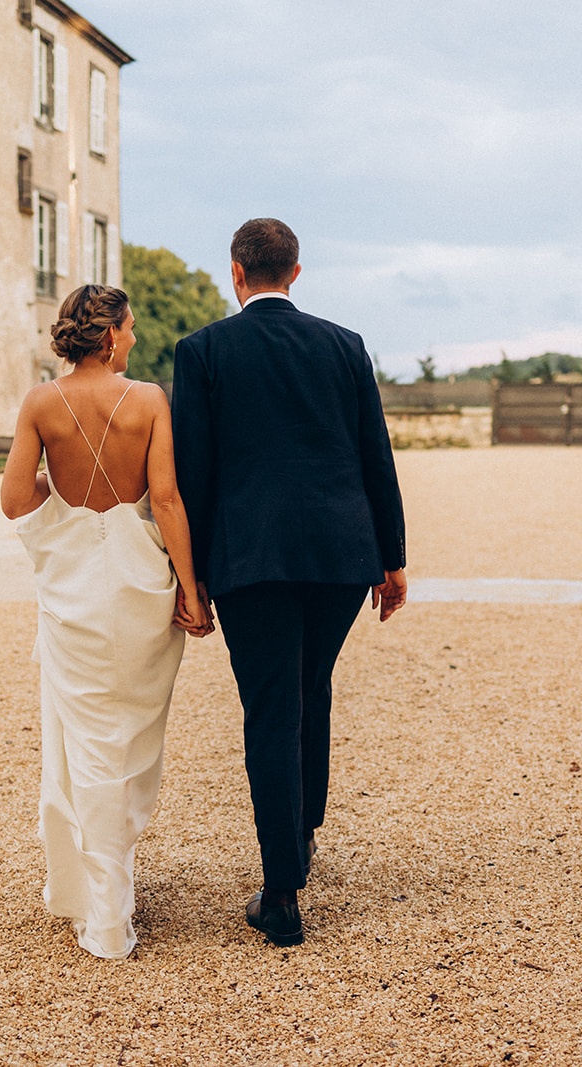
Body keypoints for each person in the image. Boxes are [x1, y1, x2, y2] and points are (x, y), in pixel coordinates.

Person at [171, 218, 407, 947]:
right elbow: (375, 454)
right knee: (311, 688)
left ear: (236, 274)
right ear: (295, 273)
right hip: (342, 555)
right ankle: (301, 833)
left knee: (272, 707)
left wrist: (195, 575)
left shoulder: (203, 350)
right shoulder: (344, 345)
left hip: (253, 558)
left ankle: (281, 894)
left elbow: (194, 471)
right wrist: (392, 557)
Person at [1, 284, 212, 959]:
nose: (133, 339)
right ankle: (109, 910)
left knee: (83, 743)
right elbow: (169, 499)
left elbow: (13, 500)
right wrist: (191, 587)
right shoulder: (149, 400)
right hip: (136, 588)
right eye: (130, 328)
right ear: (111, 332)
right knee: (128, 744)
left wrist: (62, 497)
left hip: (73, 594)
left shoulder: (41, 403)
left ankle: (99, 899)